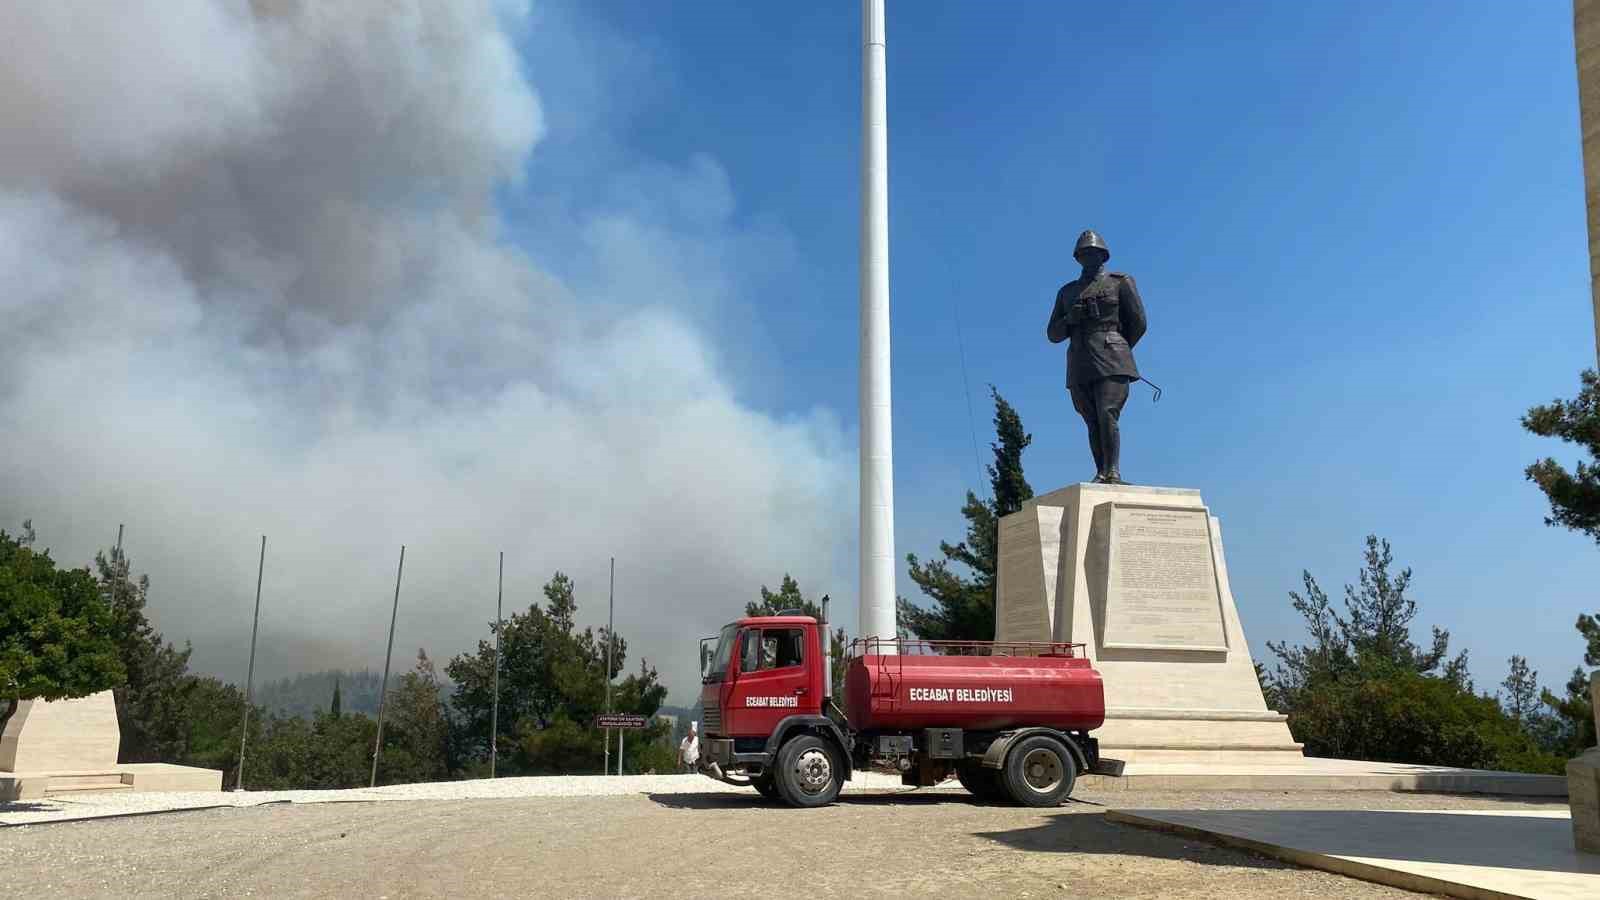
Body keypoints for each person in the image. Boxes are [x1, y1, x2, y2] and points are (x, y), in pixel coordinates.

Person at [1046, 229, 1148, 484]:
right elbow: (1052, 334)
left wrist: (1119, 346)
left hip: (1113, 356)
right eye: (1084, 253)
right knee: (1091, 419)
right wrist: (1071, 319)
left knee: (1107, 412)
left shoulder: (1120, 282)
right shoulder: (1067, 293)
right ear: (1077, 257)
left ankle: (1113, 470)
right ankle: (1101, 471)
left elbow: (1138, 322)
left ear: (1103, 255)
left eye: (1094, 252)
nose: (1089, 256)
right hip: (1080, 360)